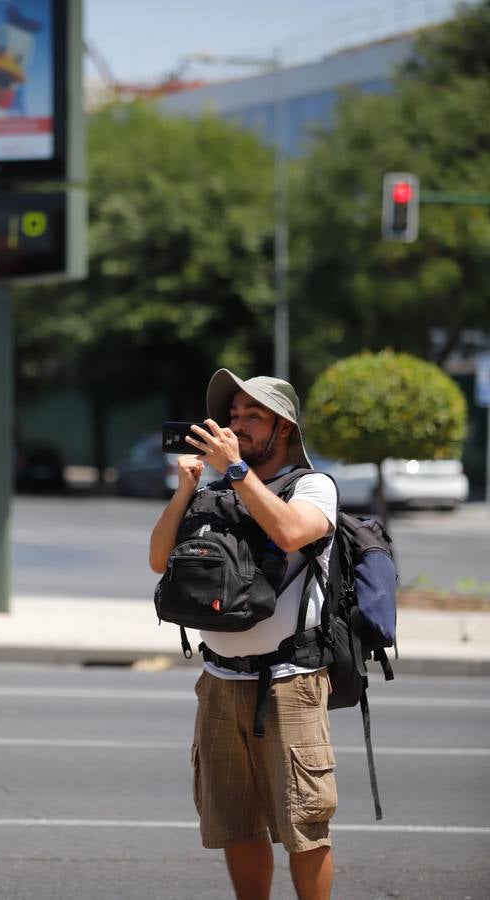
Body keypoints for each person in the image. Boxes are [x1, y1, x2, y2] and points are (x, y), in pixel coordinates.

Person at [149, 368, 338, 900]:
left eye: (253, 416)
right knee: (236, 823)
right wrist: (187, 487)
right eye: (233, 415)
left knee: (304, 826)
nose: (238, 424)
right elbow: (158, 558)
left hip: (289, 683)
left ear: (284, 428)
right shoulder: (214, 489)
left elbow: (290, 531)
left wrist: (234, 469)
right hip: (219, 680)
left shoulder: (312, 486)